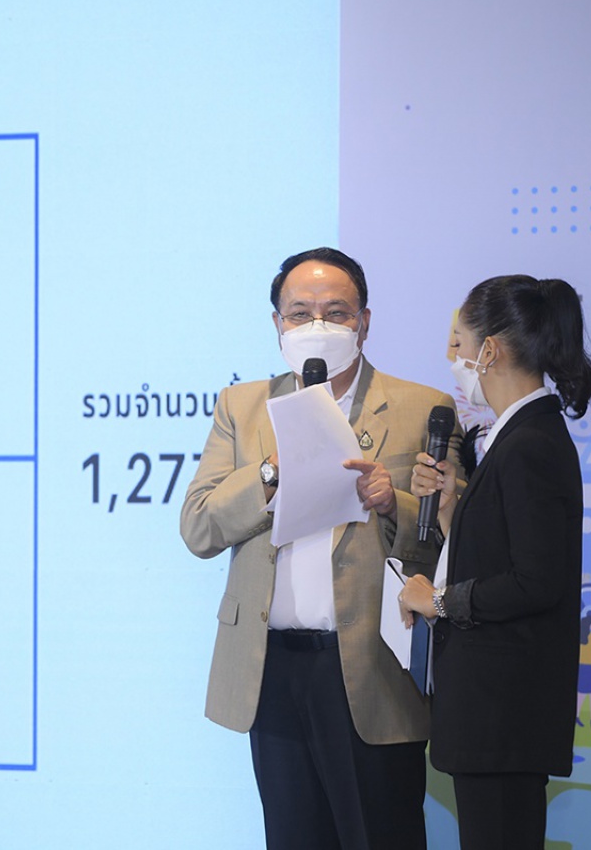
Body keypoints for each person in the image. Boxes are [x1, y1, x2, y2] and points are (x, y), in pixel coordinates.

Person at [180, 247, 462, 850]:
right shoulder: (242, 407)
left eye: (335, 312)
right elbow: (198, 528)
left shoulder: (424, 407)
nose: (317, 326)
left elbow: (450, 543)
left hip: (371, 669)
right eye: (299, 313)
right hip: (271, 666)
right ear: (277, 323)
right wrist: (268, 474)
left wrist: (393, 503)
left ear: (364, 321)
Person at [400, 274, 591, 850]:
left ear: (489, 350)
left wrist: (437, 601)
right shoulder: (518, 437)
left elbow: (536, 581)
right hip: (494, 717)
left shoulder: (530, 444)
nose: (452, 358)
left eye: (458, 342)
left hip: (503, 715)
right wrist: (451, 512)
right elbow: (503, 552)